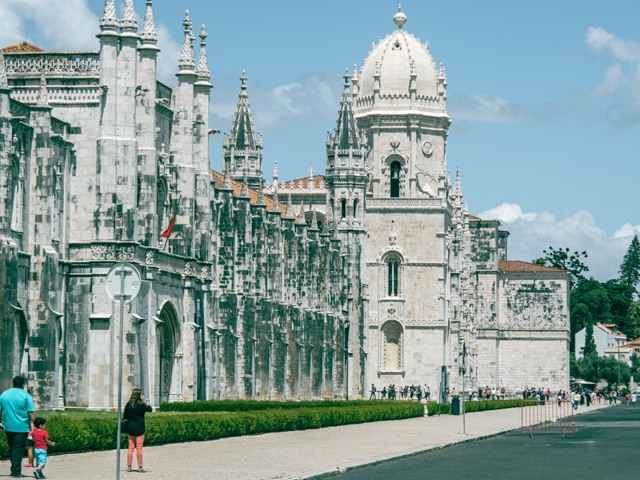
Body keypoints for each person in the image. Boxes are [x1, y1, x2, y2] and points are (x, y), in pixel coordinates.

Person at [0, 376, 36, 478]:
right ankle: (16, 472)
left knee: (13, 447)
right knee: (18, 449)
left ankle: (14, 469)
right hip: (22, 426)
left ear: (13, 383)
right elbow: (31, 412)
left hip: (8, 426)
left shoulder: (4, 394)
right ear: (22, 384)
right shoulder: (26, 395)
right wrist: (36, 424)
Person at [123, 389, 153, 473]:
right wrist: (144, 401)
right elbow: (150, 409)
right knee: (139, 447)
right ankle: (140, 467)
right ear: (140, 396)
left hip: (130, 427)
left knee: (130, 447)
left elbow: (125, 416)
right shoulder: (141, 405)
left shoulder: (128, 405)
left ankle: (129, 466)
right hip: (140, 428)